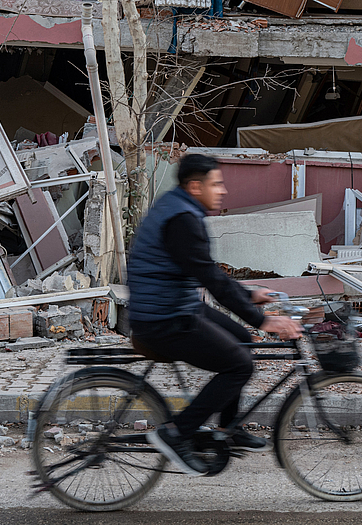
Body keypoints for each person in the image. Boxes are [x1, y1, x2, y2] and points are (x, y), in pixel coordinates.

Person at [127, 153, 303, 477]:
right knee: (239, 364)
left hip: (174, 305)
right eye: (216, 184)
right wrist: (264, 320)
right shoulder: (182, 219)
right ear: (195, 186)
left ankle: (227, 429)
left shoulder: (180, 207)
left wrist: (249, 295)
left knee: (242, 340)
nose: (222, 191)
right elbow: (210, 277)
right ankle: (176, 432)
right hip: (163, 318)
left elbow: (203, 270)